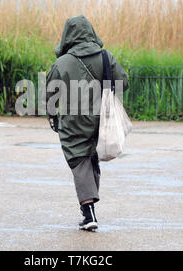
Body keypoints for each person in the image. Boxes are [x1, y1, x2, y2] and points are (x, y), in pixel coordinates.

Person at [46, 15, 129, 231]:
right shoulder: (105, 56)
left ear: (68, 36)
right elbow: (124, 83)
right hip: (102, 119)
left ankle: (88, 211)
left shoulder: (61, 63)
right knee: (91, 159)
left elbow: (50, 97)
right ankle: (90, 206)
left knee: (78, 161)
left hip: (74, 121)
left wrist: (53, 118)